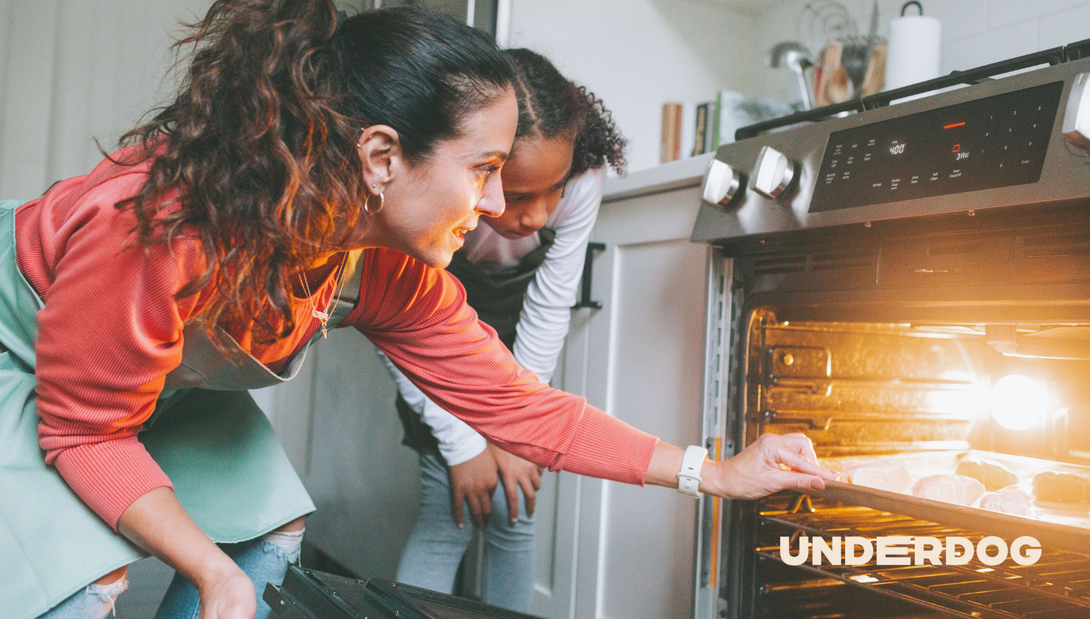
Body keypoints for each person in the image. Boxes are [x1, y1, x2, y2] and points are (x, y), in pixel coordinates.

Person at [0, 3, 834, 619]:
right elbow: (86, 431)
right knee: (82, 591)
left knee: (265, 538)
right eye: (484, 168)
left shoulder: (382, 269)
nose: (500, 202)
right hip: (28, 361)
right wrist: (209, 573)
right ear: (381, 156)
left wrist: (714, 471)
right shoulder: (160, 232)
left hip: (144, 390)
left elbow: (518, 406)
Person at [381, 49, 625, 612]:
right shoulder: (433, 199)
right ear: (480, 170)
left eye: (554, 190)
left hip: (515, 346)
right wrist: (465, 444)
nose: (538, 216)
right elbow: (397, 330)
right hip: (429, 335)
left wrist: (520, 427)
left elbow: (549, 305)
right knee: (450, 507)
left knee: (516, 507)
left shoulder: (583, 179)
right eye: (516, 197)